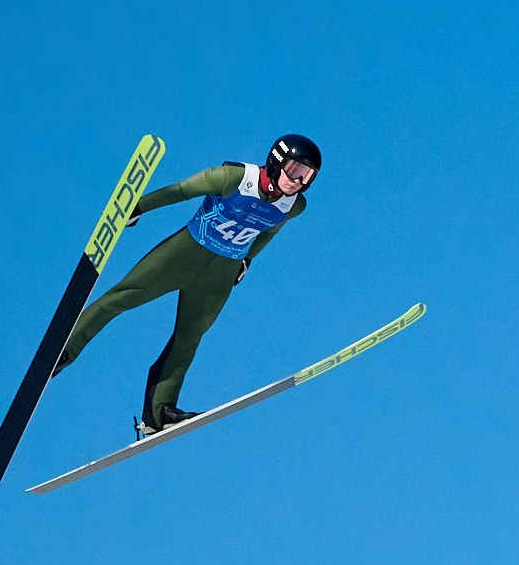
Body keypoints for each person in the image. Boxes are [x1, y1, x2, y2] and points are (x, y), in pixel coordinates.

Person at [54, 134, 321, 434]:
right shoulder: (235, 177)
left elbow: (268, 232)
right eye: (295, 170)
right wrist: (138, 207)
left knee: (188, 339)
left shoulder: (293, 205)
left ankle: (160, 413)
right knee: (120, 298)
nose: (298, 181)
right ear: (276, 161)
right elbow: (181, 190)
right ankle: (62, 351)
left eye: (307, 176)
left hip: (219, 276)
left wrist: (247, 260)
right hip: (185, 255)